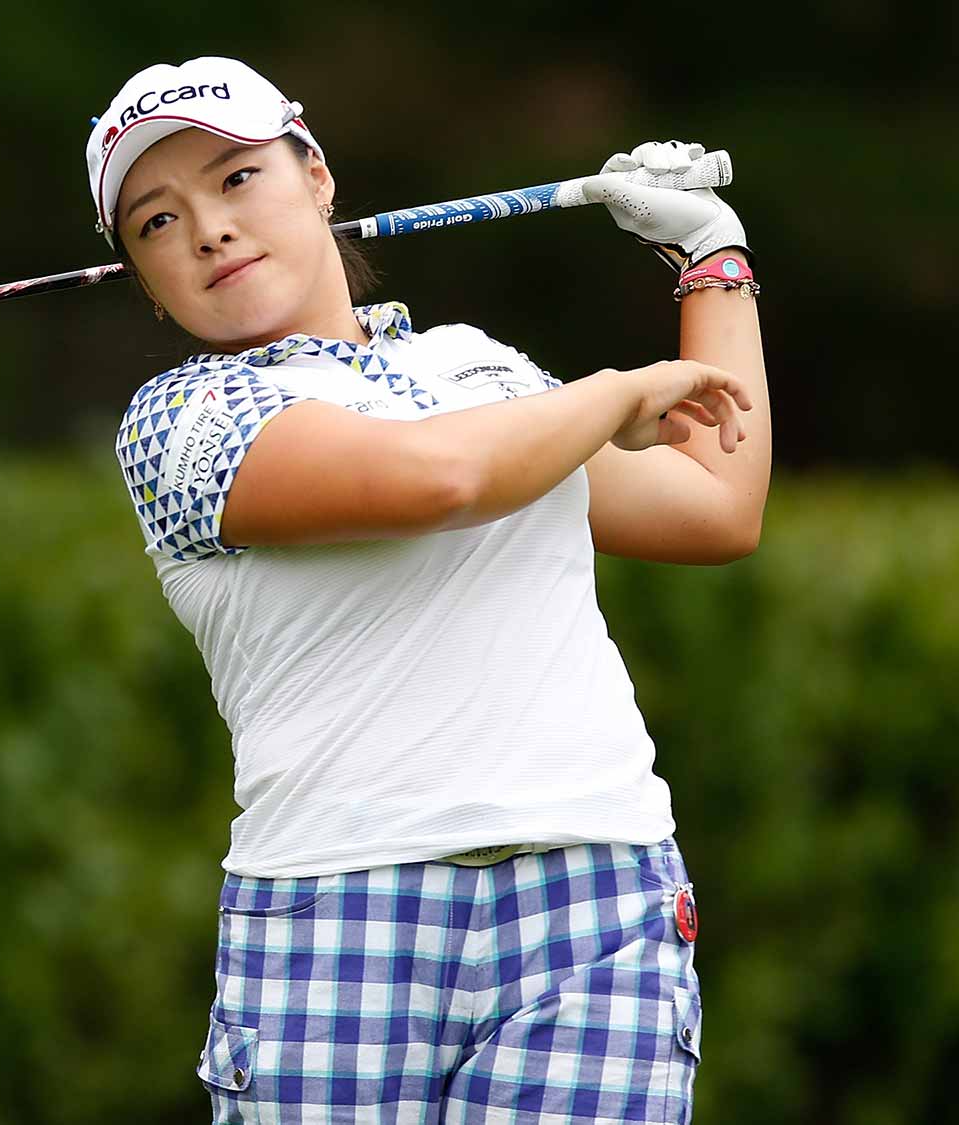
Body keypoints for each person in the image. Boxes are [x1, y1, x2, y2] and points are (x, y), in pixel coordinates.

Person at [86, 56, 770, 1124]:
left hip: (592, 893)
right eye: (154, 224)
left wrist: (706, 254)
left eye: (233, 179)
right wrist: (607, 395)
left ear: (315, 176)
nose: (206, 230)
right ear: (143, 277)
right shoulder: (177, 422)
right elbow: (436, 480)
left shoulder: (479, 368)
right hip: (335, 910)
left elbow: (713, 505)